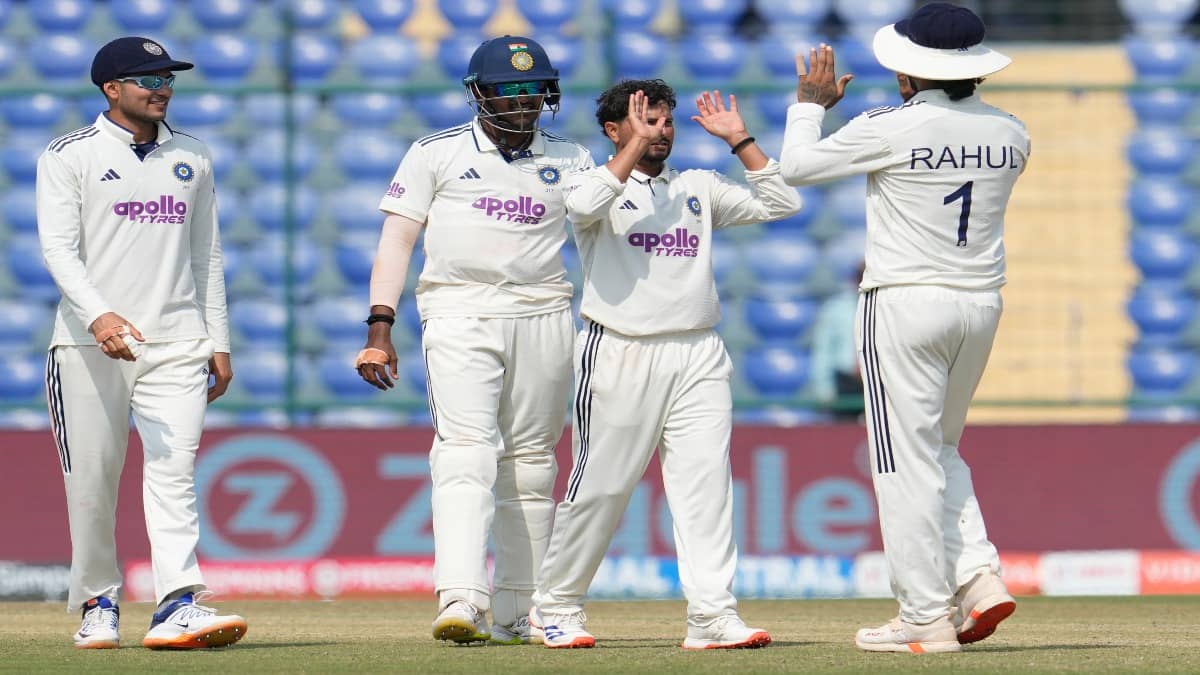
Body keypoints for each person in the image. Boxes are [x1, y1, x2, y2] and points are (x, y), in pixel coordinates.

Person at [778, 3, 1030, 654]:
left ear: (906, 73)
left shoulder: (888, 125)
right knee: (940, 449)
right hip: (980, 304)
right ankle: (976, 577)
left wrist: (809, 107)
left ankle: (923, 616)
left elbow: (796, 168)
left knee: (902, 464)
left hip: (904, 302)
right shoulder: (1012, 132)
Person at [528, 79, 802, 649]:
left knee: (706, 490)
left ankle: (712, 615)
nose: (660, 131)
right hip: (620, 350)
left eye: (666, 121)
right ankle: (555, 606)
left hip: (698, 353)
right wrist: (633, 148)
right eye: (645, 121)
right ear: (613, 130)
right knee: (602, 487)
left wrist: (740, 139)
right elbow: (582, 208)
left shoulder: (697, 185)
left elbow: (783, 203)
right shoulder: (591, 182)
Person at [355, 35, 593, 646]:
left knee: (533, 464)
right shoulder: (435, 152)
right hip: (460, 309)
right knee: (465, 452)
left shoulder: (571, 157)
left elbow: (604, 236)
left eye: (534, 88)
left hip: (544, 311)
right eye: (510, 89)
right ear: (480, 94)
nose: (525, 100)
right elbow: (397, 240)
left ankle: (523, 608)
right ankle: (461, 596)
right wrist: (380, 327)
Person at [36, 36, 246, 650]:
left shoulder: (192, 154)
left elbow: (206, 255)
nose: (163, 89)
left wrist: (218, 339)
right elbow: (58, 250)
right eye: (148, 79)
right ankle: (98, 603)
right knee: (92, 483)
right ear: (111, 88)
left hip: (176, 341)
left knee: (174, 472)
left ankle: (178, 602)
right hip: (87, 347)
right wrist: (99, 317)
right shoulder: (69, 154)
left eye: (168, 79)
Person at [810, 262, 866, 421]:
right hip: (846, 382)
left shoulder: (886, 309)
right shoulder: (836, 308)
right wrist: (824, 390)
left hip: (878, 379)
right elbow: (823, 349)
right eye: (860, 276)